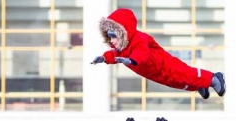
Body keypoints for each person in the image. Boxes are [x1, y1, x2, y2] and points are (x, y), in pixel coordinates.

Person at [91, 8, 226, 100]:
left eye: (113, 35)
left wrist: (131, 60)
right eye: (109, 36)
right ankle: (199, 85)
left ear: (123, 31)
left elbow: (141, 53)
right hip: (155, 73)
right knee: (178, 83)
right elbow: (114, 55)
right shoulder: (121, 47)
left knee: (185, 74)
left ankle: (214, 78)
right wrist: (103, 58)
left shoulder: (139, 38)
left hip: (165, 64)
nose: (111, 40)